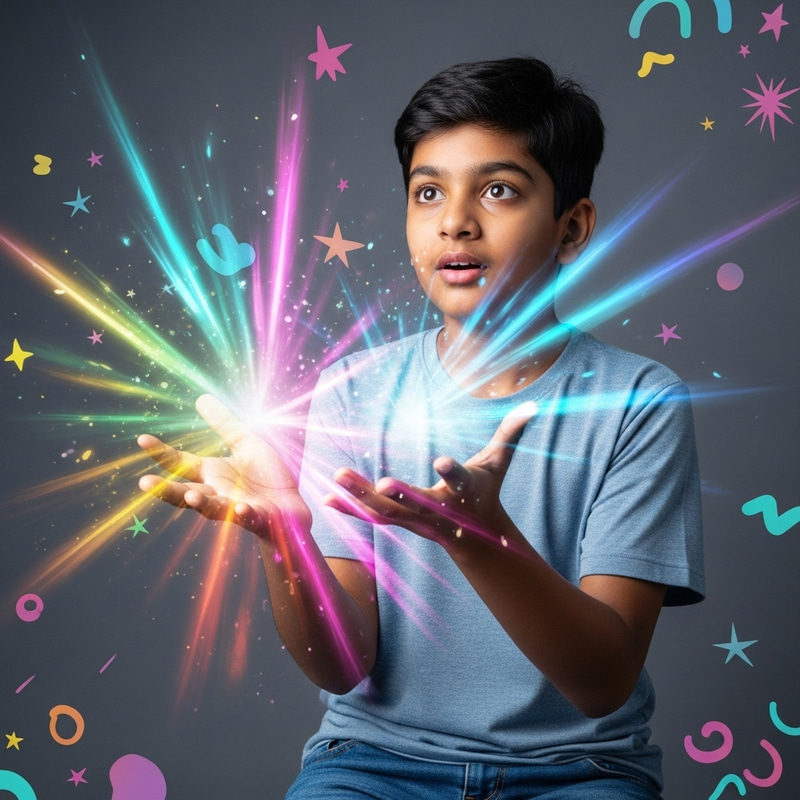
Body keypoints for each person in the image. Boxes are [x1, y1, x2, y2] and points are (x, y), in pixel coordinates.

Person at [138, 57, 704, 799]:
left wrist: (479, 539)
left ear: (572, 227)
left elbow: (603, 682)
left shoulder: (640, 402)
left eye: (498, 190)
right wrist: (288, 540)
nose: (454, 221)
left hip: (578, 772)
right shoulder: (353, 391)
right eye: (428, 191)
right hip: (373, 765)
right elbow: (344, 664)